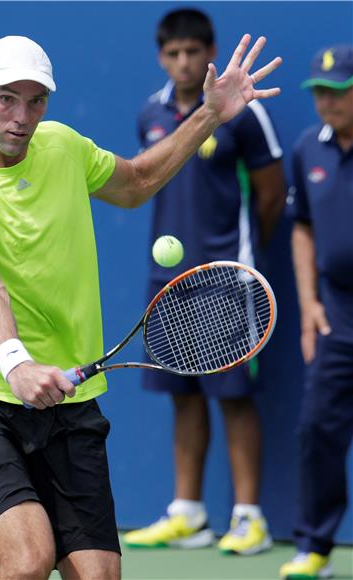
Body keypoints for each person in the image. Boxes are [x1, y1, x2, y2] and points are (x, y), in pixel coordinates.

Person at [0, 33, 281, 579]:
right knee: (27, 559)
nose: (21, 115)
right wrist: (15, 361)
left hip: (69, 399)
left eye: (35, 100)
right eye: (5, 98)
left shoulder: (62, 147)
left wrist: (208, 115)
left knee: (99, 575)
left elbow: (137, 183)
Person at [123, 8, 285, 556]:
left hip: (227, 280)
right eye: (174, 54)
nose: (185, 62)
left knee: (234, 398)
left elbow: (269, 194)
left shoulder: (242, 113)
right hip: (168, 284)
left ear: (210, 50)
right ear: (161, 56)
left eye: (194, 51)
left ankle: (249, 518)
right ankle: (188, 514)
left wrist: (237, 257)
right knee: (182, 396)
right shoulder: (150, 112)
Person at [279, 45, 353, 580]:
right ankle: (315, 550)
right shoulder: (308, 149)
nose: (327, 101)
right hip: (336, 314)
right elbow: (301, 226)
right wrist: (308, 303)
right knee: (316, 431)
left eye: (338, 90)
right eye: (320, 92)